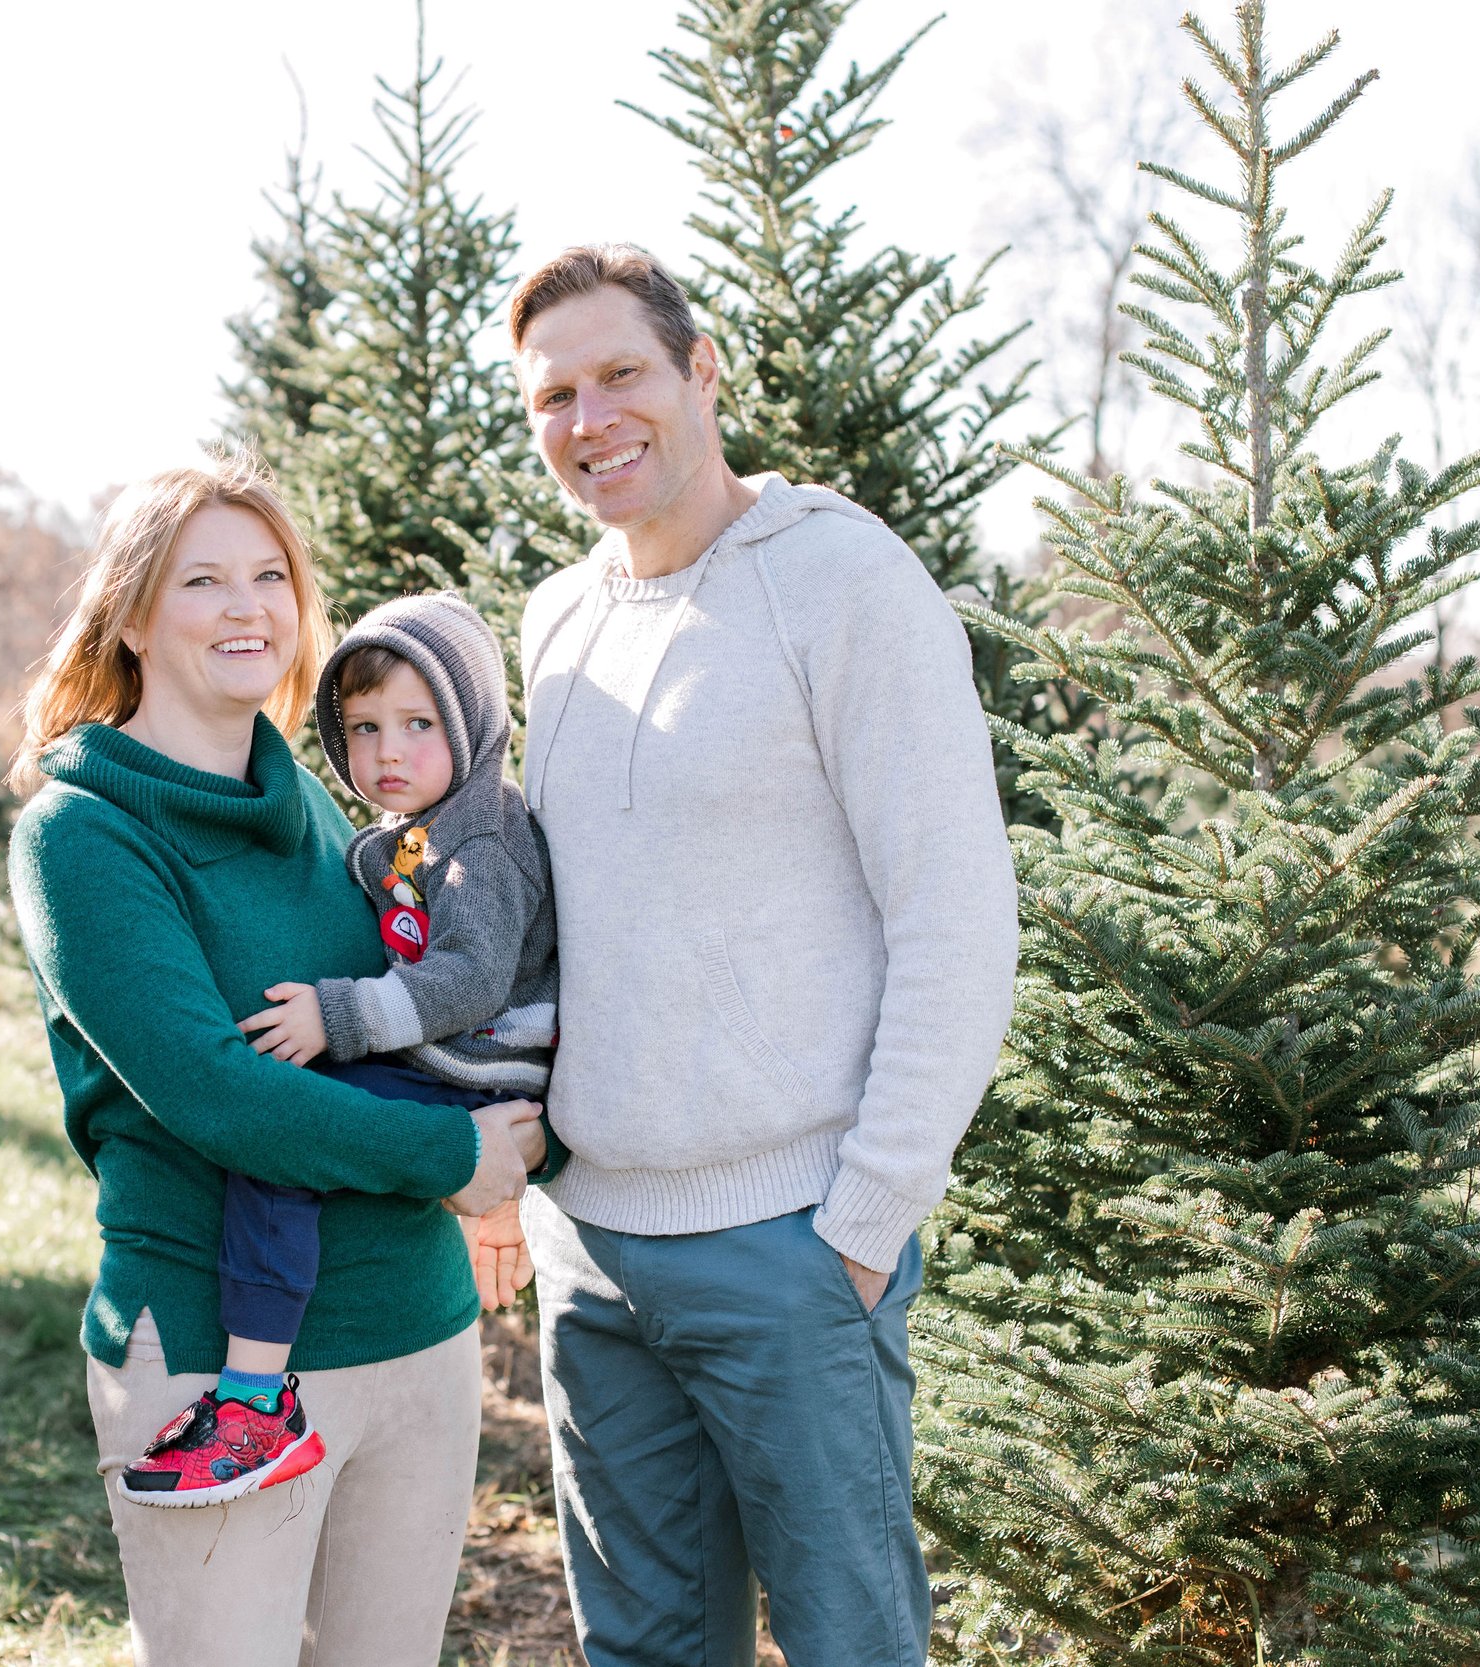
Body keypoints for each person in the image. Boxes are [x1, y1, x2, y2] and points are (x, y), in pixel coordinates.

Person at [505, 244, 1021, 1666]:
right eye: (554, 394)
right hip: (593, 1248)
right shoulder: (555, 622)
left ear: (701, 369)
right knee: (647, 1652)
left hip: (789, 1245)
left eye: (621, 374)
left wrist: (864, 1219)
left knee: (853, 1642)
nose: (590, 418)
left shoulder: (842, 579)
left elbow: (958, 914)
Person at [5, 455, 543, 1664]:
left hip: (419, 1331)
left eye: (270, 576)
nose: (248, 606)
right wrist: (455, 1150)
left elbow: (431, 1004)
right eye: (204, 579)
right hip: (214, 1359)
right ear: (134, 617)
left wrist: (524, 1121)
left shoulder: (314, 796)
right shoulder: (80, 835)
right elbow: (217, 1093)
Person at [124, 591, 561, 1502]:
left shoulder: (482, 836)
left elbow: (472, 977)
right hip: (455, 1072)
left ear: (475, 725)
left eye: (418, 723)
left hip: (478, 1066)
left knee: (285, 1154)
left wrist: (339, 1015)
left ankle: (251, 1401)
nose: (387, 752)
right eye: (363, 728)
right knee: (298, 1124)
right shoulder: (408, 836)